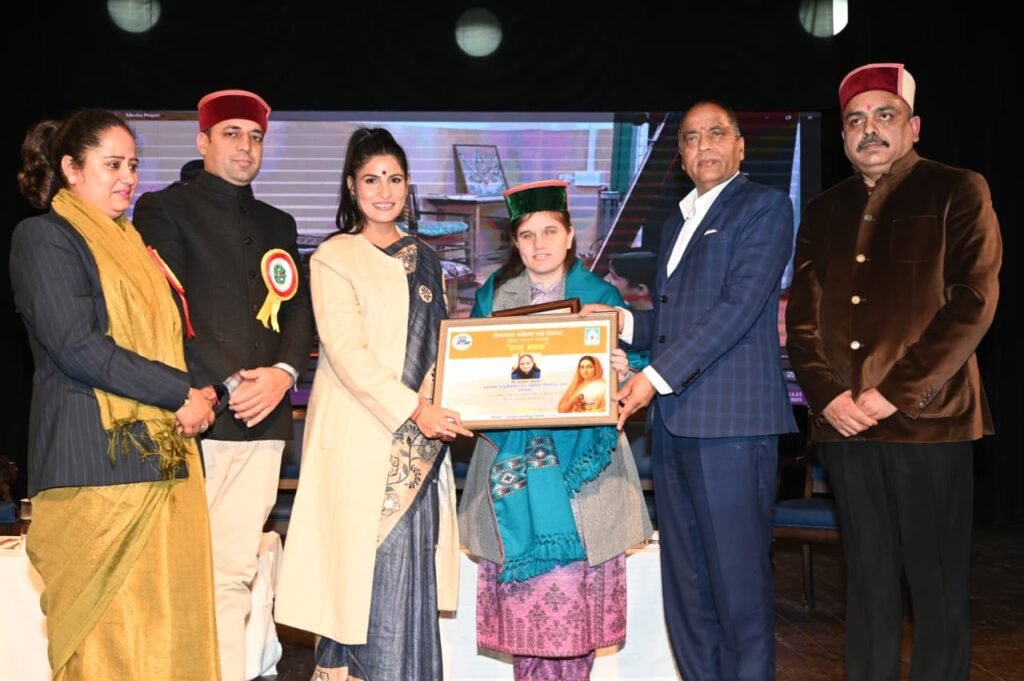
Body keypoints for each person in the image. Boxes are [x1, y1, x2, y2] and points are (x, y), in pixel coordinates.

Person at [786, 63, 1002, 681]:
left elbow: (972, 302)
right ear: (843, 136)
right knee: (867, 582)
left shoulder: (956, 189)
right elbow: (801, 320)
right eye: (856, 121)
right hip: (845, 425)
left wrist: (895, 393)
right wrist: (829, 397)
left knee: (936, 588)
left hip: (928, 422)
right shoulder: (824, 210)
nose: (870, 129)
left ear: (914, 126)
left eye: (885, 116)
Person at [584, 101, 797, 680]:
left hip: (732, 427)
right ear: (679, 156)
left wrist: (651, 378)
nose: (704, 145)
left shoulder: (765, 207)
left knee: (738, 590)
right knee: (688, 588)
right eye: (691, 137)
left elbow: (737, 309)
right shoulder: (676, 222)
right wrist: (622, 323)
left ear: (740, 146)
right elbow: (677, 321)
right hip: (677, 427)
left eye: (716, 133)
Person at [10, 109, 221, 679]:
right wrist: (179, 393)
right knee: (108, 648)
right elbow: (75, 345)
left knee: (167, 639)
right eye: (112, 165)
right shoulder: (44, 238)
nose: (128, 177)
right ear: (71, 168)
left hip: (159, 464)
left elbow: (167, 342)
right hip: (93, 469)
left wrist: (199, 394)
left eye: (132, 165)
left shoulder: (134, 245)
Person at [274, 127, 471, 680]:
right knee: (361, 579)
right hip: (362, 439)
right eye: (371, 179)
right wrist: (416, 410)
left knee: (410, 572)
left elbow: (446, 346)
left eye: (395, 179)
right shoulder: (334, 257)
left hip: (422, 446)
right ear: (351, 186)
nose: (384, 191)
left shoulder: (427, 258)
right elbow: (347, 353)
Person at [133, 89, 314, 681]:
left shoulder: (278, 223)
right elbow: (169, 307)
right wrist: (233, 379)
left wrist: (283, 375)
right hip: (198, 417)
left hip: (264, 420)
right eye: (231, 133)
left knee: (233, 571)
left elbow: (296, 310)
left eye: (255, 136)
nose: (245, 147)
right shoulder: (163, 209)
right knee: (184, 573)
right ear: (202, 140)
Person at [460, 180, 652, 681]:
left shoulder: (602, 297)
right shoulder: (493, 296)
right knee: (526, 615)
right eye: (527, 234)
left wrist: (623, 369)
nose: (539, 244)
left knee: (575, 616)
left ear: (569, 237)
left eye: (550, 231)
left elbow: (636, 371)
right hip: (512, 472)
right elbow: (471, 375)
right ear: (516, 243)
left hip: (584, 478)